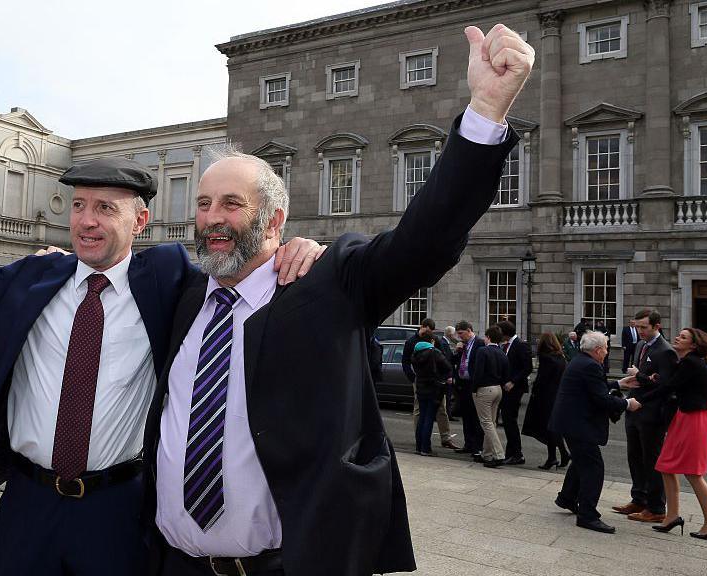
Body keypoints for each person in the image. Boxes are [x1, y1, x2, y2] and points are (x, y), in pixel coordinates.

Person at [145, 24, 534, 575]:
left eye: (231, 204)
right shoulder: (184, 297)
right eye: (204, 203)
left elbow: (423, 243)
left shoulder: (330, 282)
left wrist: (485, 112)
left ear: (274, 220)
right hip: (173, 564)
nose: (212, 218)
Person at [0, 144, 322, 574]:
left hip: (117, 510)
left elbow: (238, 261)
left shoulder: (168, 279)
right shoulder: (32, 278)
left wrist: (299, 249)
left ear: (139, 221)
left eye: (104, 208)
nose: (86, 220)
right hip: (28, 503)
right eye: (78, 206)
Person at [625, 328, 707, 539]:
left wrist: (640, 400)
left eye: (683, 337)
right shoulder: (685, 363)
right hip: (684, 416)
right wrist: (651, 378)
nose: (677, 337)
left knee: (693, 473)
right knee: (665, 465)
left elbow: (668, 387)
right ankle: (672, 516)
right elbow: (668, 383)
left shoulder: (692, 363)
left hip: (697, 419)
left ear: (693, 345)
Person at [550, 331, 640, 534]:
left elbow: (592, 387)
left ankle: (566, 497)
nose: (607, 352)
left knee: (581, 461)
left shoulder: (581, 361)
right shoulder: (591, 365)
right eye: (606, 348)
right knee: (593, 468)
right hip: (578, 424)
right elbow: (601, 398)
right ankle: (588, 515)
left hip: (570, 422)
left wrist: (618, 383)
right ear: (598, 350)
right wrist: (627, 404)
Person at [613, 309, 678, 524]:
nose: (639, 331)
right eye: (637, 327)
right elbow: (642, 378)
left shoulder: (666, 351)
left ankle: (656, 507)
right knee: (635, 456)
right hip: (634, 407)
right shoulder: (641, 345)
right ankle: (638, 498)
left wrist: (639, 375)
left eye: (644, 327)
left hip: (651, 413)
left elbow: (666, 385)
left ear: (656, 326)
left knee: (652, 459)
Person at [402, 318, 458, 450]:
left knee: (440, 410)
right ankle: (421, 439)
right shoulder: (412, 342)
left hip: (426, 380)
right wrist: (412, 377)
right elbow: (405, 361)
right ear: (423, 327)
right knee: (420, 411)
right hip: (429, 381)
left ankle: (444, 438)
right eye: (428, 331)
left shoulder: (430, 342)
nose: (430, 334)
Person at [522, 332, 569, 470]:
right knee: (552, 428)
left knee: (548, 428)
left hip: (545, 396)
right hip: (557, 395)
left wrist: (534, 389)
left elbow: (542, 378)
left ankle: (554, 457)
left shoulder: (545, 358)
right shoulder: (560, 357)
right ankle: (561, 454)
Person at [472, 325, 509, 468]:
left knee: (486, 423)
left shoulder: (483, 351)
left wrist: (474, 389)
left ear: (488, 337)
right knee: (491, 423)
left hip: (484, 389)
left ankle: (498, 454)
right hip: (498, 389)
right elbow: (506, 373)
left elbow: (478, 372)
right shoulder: (502, 353)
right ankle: (486, 455)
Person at [497, 320, 531, 465]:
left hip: (515, 388)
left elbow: (527, 367)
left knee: (510, 420)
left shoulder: (520, 345)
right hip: (506, 387)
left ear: (505, 333)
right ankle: (511, 453)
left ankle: (517, 453)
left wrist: (513, 381)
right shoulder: (506, 346)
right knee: (508, 420)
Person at [412, 337, 453, 456]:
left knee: (422, 417)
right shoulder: (434, 353)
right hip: (434, 388)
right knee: (429, 418)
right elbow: (447, 366)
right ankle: (426, 448)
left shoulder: (415, 355)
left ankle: (419, 447)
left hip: (421, 388)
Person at [453, 320, 486, 455]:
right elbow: (454, 361)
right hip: (463, 383)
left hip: (474, 383)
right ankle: (468, 443)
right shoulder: (463, 345)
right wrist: (457, 351)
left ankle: (477, 446)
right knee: (466, 415)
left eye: (461, 333)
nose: (460, 336)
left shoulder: (479, 343)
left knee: (476, 416)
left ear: (469, 330)